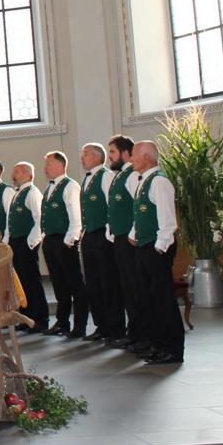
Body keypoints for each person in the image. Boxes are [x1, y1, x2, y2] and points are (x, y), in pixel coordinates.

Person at [128, 141, 183, 364]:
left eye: (134, 155)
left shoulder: (159, 182)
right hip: (145, 246)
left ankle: (173, 348)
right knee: (149, 298)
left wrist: (159, 248)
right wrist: (135, 234)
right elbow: (141, 214)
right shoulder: (144, 181)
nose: (131, 159)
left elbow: (168, 220)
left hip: (157, 248)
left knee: (163, 299)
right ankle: (157, 343)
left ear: (147, 157)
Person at [40, 151, 87, 338]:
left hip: (65, 240)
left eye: (49, 164)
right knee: (59, 284)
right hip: (51, 240)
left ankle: (80, 325)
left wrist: (69, 240)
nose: (46, 168)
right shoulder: (50, 188)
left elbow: (76, 216)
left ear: (60, 165)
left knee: (74, 283)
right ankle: (62, 322)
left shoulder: (70, 186)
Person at [79, 142, 123, 342]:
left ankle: (116, 329)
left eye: (86, 154)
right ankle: (101, 326)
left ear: (98, 157)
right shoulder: (86, 180)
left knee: (109, 283)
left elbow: (111, 205)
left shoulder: (106, 176)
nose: (82, 158)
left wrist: (109, 231)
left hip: (103, 236)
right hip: (89, 235)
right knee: (93, 283)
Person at [105, 135, 143, 350]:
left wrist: (131, 233)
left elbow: (137, 207)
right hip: (119, 238)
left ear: (125, 153)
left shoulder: (131, 176)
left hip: (129, 240)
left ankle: (139, 333)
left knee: (134, 287)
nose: (109, 156)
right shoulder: (121, 175)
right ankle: (134, 331)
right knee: (127, 287)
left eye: (112, 152)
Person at [3, 162, 48, 333]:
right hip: (16, 242)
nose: (14, 175)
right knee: (20, 282)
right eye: (14, 172)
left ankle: (40, 319)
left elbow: (39, 218)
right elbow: (10, 220)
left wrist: (31, 242)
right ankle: (27, 317)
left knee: (32, 281)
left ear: (28, 175)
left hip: (27, 243)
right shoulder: (17, 194)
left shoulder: (32, 193)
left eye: (17, 172)